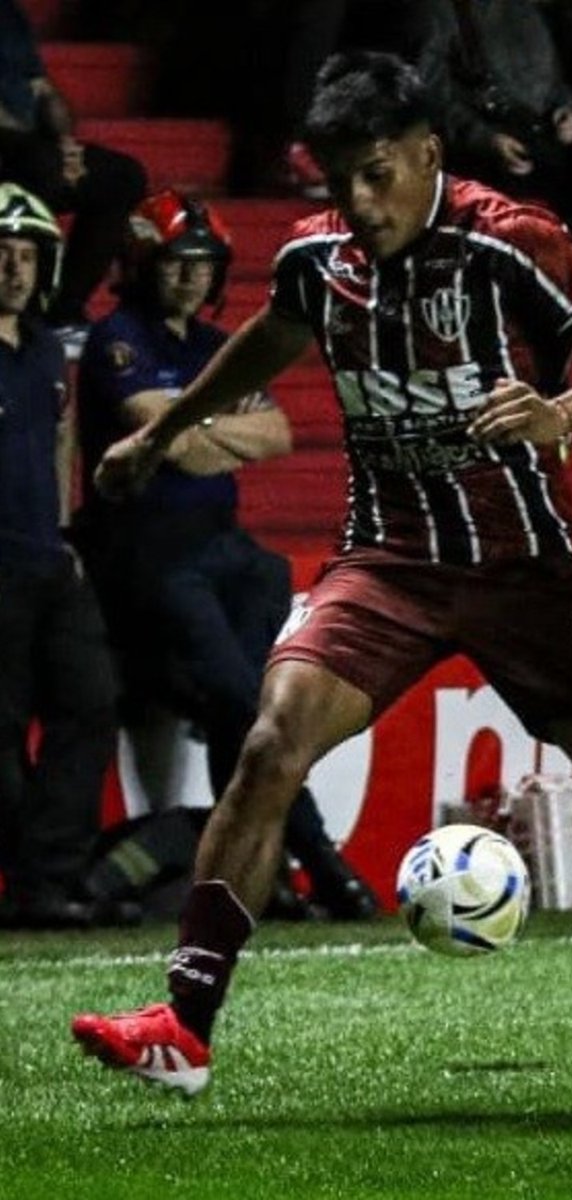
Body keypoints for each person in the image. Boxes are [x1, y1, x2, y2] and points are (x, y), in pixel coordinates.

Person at [68, 51, 572, 1115]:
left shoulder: (508, 240)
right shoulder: (317, 258)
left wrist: (561, 414)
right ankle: (185, 1027)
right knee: (268, 743)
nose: (357, 200)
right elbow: (273, 335)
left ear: (429, 155)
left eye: (378, 173)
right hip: (388, 561)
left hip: (527, 570)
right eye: (338, 177)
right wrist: (172, 430)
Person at [74, 188, 377, 922]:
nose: (191, 278)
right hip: (152, 554)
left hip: (229, 553)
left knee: (242, 708)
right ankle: (320, 864)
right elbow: (158, 433)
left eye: (204, 266)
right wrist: (194, 433)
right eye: (177, 263)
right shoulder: (117, 337)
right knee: (245, 707)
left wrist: (189, 437)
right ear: (143, 264)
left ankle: (257, 874)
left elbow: (273, 435)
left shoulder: (214, 349)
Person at [0, 183, 119, 928]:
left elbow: (62, 441)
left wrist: (67, 533)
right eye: (1, 255)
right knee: (1, 731)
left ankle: (53, 874)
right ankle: (31, 885)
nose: (13, 269)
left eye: (24, 256)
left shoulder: (46, 348)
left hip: (49, 558)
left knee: (92, 704)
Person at [0, 0, 148, 351]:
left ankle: (62, 312)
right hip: (17, 149)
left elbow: (43, 90)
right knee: (40, 167)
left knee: (123, 176)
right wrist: (42, 149)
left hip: (33, 150)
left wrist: (68, 147)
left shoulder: (8, 15)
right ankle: (20, 310)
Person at [411, 0, 572, 228]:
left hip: (548, 152)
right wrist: (485, 139)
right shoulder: (441, 11)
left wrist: (568, 109)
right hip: (487, 168)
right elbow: (431, 93)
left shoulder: (527, 8)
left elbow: (553, 73)